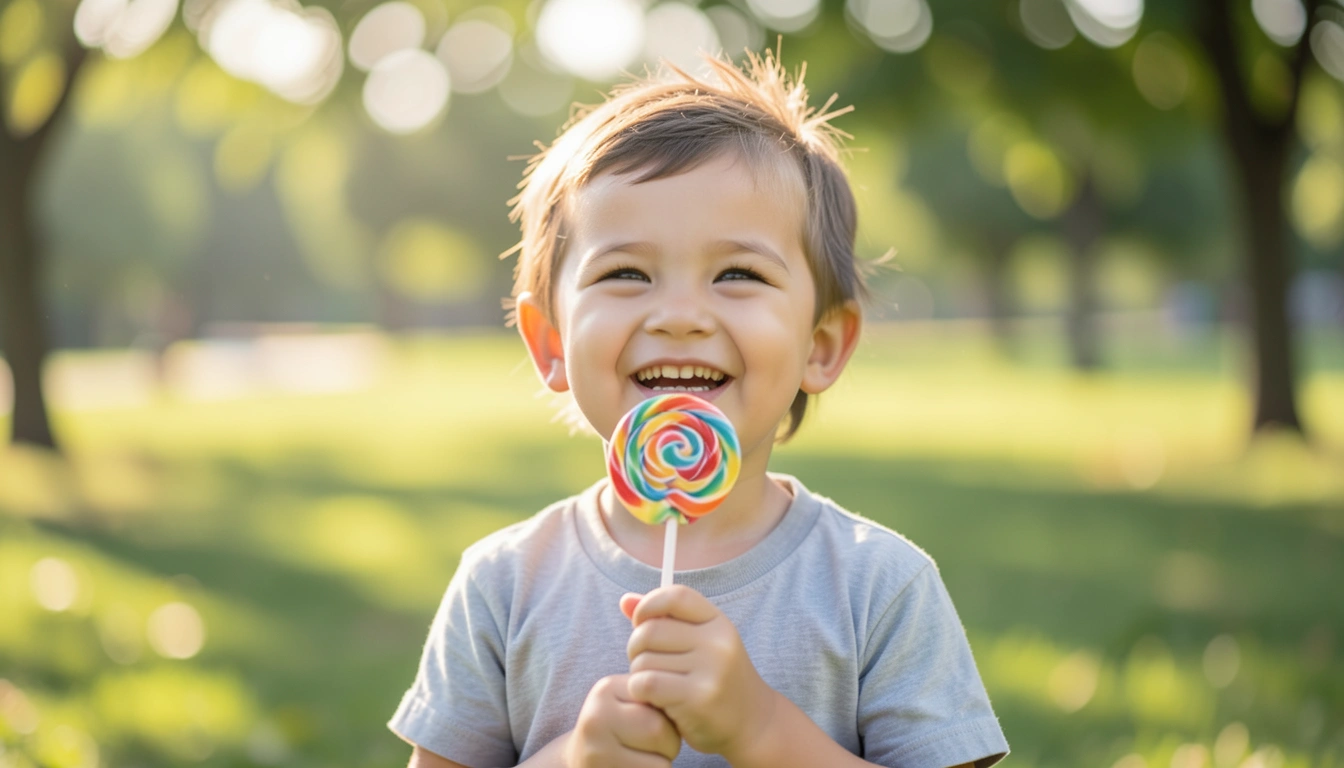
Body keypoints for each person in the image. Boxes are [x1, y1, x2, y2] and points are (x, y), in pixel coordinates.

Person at [388, 49, 1009, 768]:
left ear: (823, 343)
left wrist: (764, 733)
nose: (680, 315)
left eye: (737, 273)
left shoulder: (879, 588)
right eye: (626, 273)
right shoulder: (502, 585)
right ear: (550, 342)